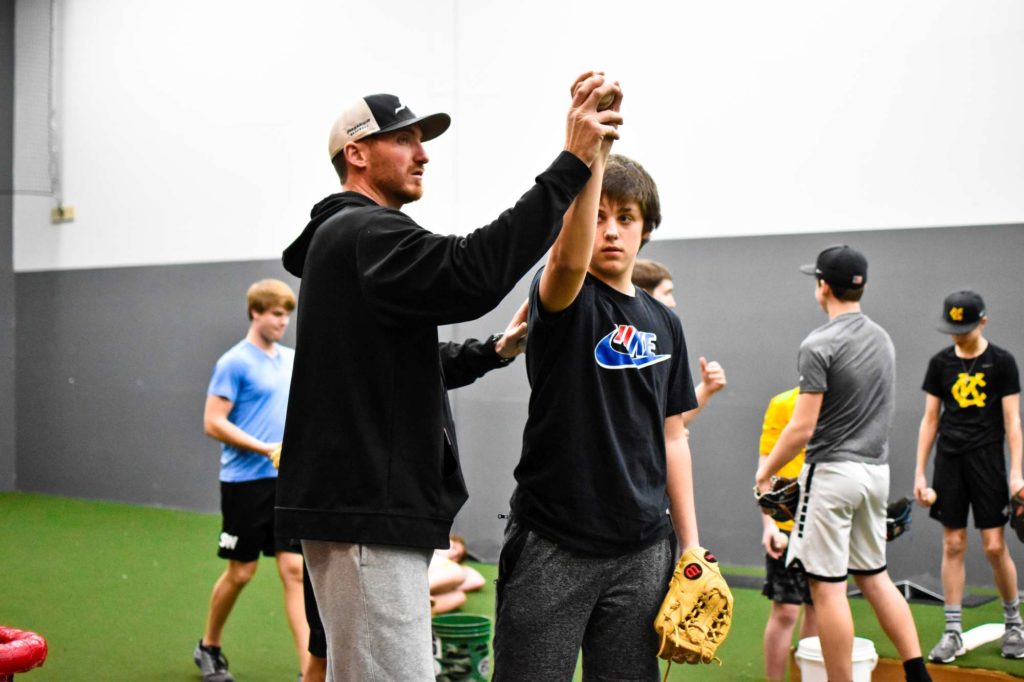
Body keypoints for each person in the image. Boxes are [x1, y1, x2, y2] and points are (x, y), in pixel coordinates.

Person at [275, 73, 621, 681]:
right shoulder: (367, 232)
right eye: (404, 139)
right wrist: (570, 163)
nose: (423, 152)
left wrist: (495, 350)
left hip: (355, 512)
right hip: (367, 516)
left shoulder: (350, 245)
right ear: (356, 154)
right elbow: (472, 271)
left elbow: (402, 368)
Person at [491, 143, 704, 679]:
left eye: (625, 217)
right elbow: (565, 259)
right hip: (554, 544)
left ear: (645, 228)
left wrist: (692, 545)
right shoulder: (563, 296)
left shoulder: (665, 323)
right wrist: (591, 157)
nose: (610, 230)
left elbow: (673, 437)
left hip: (643, 550)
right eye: (598, 216)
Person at [299, 306, 530, 682]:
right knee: (327, 657)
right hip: (362, 523)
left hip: (397, 525)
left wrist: (496, 350)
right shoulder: (349, 346)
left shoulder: (397, 347)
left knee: (335, 660)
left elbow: (437, 362)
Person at [755, 245, 931, 682]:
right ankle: (918, 672)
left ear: (821, 286)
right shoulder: (882, 339)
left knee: (828, 589)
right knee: (875, 577)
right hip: (876, 473)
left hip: (832, 474)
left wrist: (764, 472)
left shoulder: (819, 343)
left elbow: (802, 428)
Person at [194, 279, 307, 682]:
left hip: (287, 482)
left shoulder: (293, 359)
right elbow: (213, 422)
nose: (283, 322)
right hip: (245, 481)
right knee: (241, 572)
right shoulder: (234, 362)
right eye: (276, 313)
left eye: (287, 314)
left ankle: (309, 670)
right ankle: (209, 647)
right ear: (256, 312)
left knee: (294, 570)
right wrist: (264, 448)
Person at [913, 289, 1024, 662]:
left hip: (988, 459)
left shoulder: (1003, 362)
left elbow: (1013, 422)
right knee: (953, 544)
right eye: (952, 328)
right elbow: (930, 420)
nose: (957, 335)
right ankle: (953, 632)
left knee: (994, 546)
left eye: (964, 327)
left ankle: (1014, 625)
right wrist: (920, 473)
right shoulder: (940, 363)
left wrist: (1017, 474)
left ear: (983, 322)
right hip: (950, 461)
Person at [757, 387, 817, 681]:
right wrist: (769, 525)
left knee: (820, 609)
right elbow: (765, 468)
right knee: (786, 612)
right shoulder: (782, 403)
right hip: (786, 527)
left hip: (827, 526)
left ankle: (811, 676)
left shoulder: (845, 403)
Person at [632, 257, 726, 424]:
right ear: (644, 294)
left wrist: (706, 389)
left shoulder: (658, 340)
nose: (672, 303)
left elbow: (669, 428)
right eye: (667, 293)